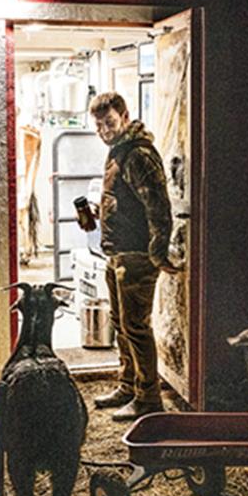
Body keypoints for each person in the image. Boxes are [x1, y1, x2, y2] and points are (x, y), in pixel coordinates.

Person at [81, 91, 178, 421]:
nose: (104, 130)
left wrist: (158, 251)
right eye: (98, 125)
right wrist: (102, 210)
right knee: (122, 326)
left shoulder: (137, 154)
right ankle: (129, 385)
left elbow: (159, 206)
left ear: (124, 116)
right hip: (118, 252)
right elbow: (131, 200)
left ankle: (149, 399)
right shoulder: (118, 152)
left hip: (136, 254)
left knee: (136, 326)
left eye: (108, 122)